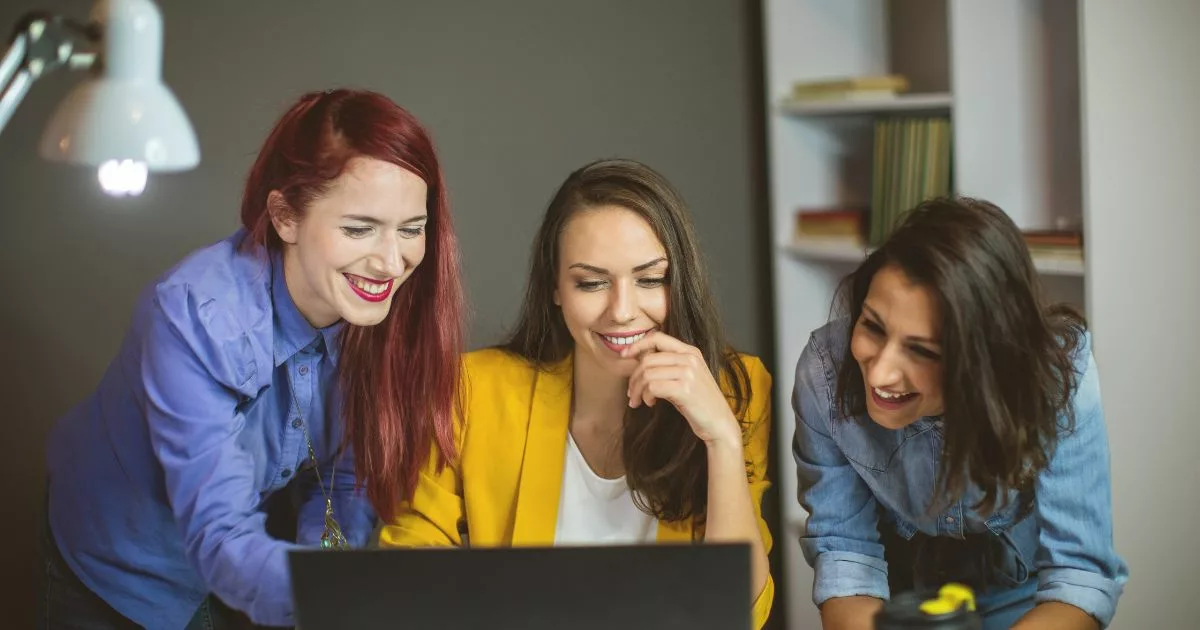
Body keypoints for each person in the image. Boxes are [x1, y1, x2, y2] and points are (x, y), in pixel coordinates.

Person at [39, 88, 465, 629]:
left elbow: (351, 471)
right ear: (285, 216)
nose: (390, 262)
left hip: (246, 559)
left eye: (411, 229)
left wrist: (329, 572)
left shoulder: (381, 312)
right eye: (359, 228)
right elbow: (220, 536)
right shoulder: (194, 316)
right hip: (119, 559)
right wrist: (345, 599)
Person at [378, 158, 776, 627]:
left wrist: (722, 441)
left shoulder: (737, 388)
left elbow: (740, 610)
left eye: (650, 279)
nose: (623, 311)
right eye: (592, 283)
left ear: (680, 280)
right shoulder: (472, 389)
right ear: (555, 288)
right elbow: (409, 558)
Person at [792, 197, 1128, 630]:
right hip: (897, 601)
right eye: (872, 326)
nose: (880, 372)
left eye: (922, 350)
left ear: (986, 359)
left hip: (1030, 602)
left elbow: (1079, 578)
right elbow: (845, 556)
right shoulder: (824, 370)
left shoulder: (1057, 374)